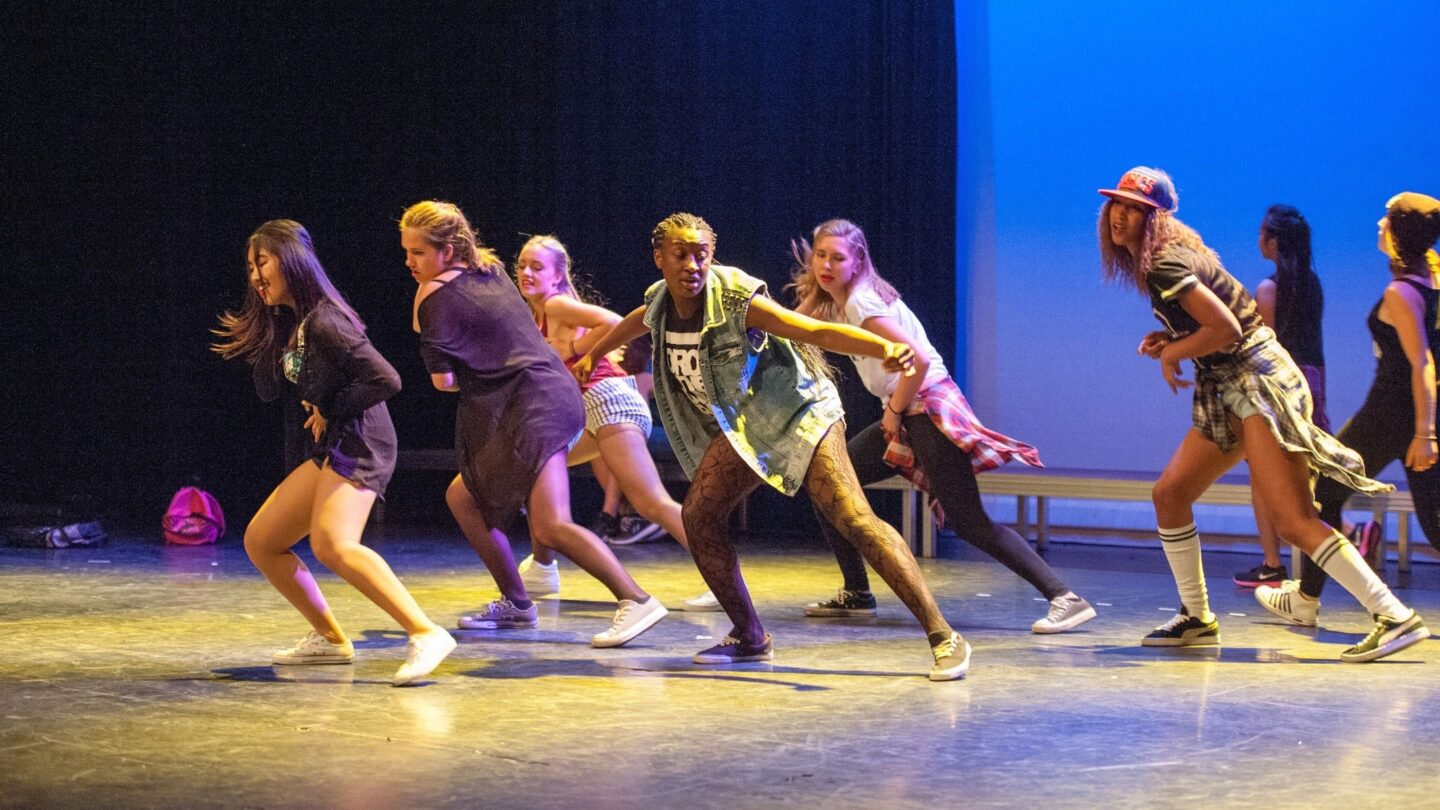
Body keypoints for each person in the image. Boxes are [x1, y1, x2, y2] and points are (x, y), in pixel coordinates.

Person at [576, 212, 971, 681]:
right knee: (698, 516)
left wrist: (879, 346)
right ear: (659, 257)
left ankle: (943, 634)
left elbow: (814, 332)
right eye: (680, 254)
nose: (692, 265)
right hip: (746, 427)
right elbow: (636, 322)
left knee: (853, 518)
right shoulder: (659, 302)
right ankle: (749, 636)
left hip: (802, 416)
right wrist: (593, 354)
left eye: (701, 254)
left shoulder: (737, 300)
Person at [1098, 167, 1428, 662]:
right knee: (1171, 494)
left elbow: (1229, 327)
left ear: (1155, 218)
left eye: (1134, 209)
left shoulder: (1165, 262)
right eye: (1116, 205)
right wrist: (1175, 340)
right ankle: (1196, 617)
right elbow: (1219, 322)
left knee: (1293, 519)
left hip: (1256, 384)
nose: (1120, 215)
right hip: (1230, 386)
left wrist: (1173, 354)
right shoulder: (1167, 260)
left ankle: (1394, 616)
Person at [789, 219, 1095, 632]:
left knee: (968, 521)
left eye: (837, 258)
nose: (826, 265)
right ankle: (856, 593)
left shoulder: (862, 302)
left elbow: (913, 357)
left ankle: (1065, 597)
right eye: (820, 255)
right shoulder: (839, 298)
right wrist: (801, 299)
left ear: (858, 261)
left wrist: (894, 412)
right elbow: (792, 327)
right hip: (909, 410)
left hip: (925, 409)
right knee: (827, 481)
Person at [401, 201, 667, 647]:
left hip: (534, 409)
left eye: (418, 253)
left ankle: (634, 599)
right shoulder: (490, 271)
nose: (410, 262)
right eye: (406, 252)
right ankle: (518, 604)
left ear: (448, 250)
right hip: (552, 398)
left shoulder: (434, 296)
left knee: (549, 525)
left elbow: (443, 382)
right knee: (468, 498)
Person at [213, 219, 455, 686]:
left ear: (291, 260)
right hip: (335, 443)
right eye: (250, 267)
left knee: (333, 543)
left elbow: (386, 379)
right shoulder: (297, 324)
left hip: (363, 439)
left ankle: (425, 632)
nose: (254, 275)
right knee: (262, 540)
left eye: (261, 262)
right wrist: (267, 331)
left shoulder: (325, 319)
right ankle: (329, 639)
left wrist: (332, 405)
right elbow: (267, 391)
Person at [1258, 192, 1440, 628]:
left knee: (1325, 493)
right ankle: (1306, 596)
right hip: (1405, 415)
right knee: (1434, 523)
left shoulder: (1402, 292)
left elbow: (1422, 362)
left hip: (1392, 414)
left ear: (1400, 235)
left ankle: (1305, 598)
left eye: (1387, 221)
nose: (1379, 226)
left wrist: (1425, 431)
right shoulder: (1429, 281)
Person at [511, 234, 718, 611]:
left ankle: (723, 576)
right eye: (522, 265)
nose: (526, 272)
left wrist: (573, 349)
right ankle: (542, 567)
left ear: (557, 276)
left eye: (537, 267)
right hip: (590, 411)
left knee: (651, 501)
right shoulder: (537, 314)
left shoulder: (557, 304)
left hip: (609, 401)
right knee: (536, 469)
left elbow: (613, 322)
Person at [1231, 205, 1350, 587]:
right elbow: (1312, 347)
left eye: (1262, 232)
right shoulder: (1311, 284)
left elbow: (1264, 350)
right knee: (1301, 475)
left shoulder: (1269, 289)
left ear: (1274, 240)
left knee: (1265, 476)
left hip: (1278, 388)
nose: (1258, 239)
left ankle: (1272, 564)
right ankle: (1345, 529)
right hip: (1312, 383)